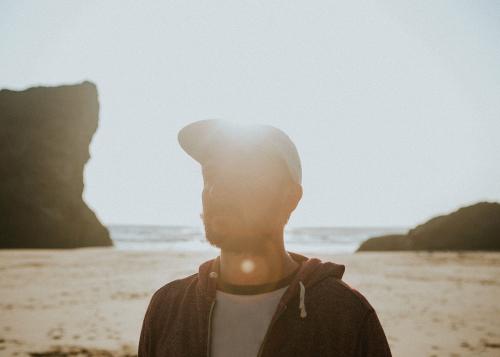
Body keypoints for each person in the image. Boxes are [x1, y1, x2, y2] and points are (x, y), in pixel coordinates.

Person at [138, 119, 392, 357]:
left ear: (290, 197)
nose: (216, 189)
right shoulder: (168, 307)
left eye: (241, 174)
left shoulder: (345, 315)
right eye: (211, 175)